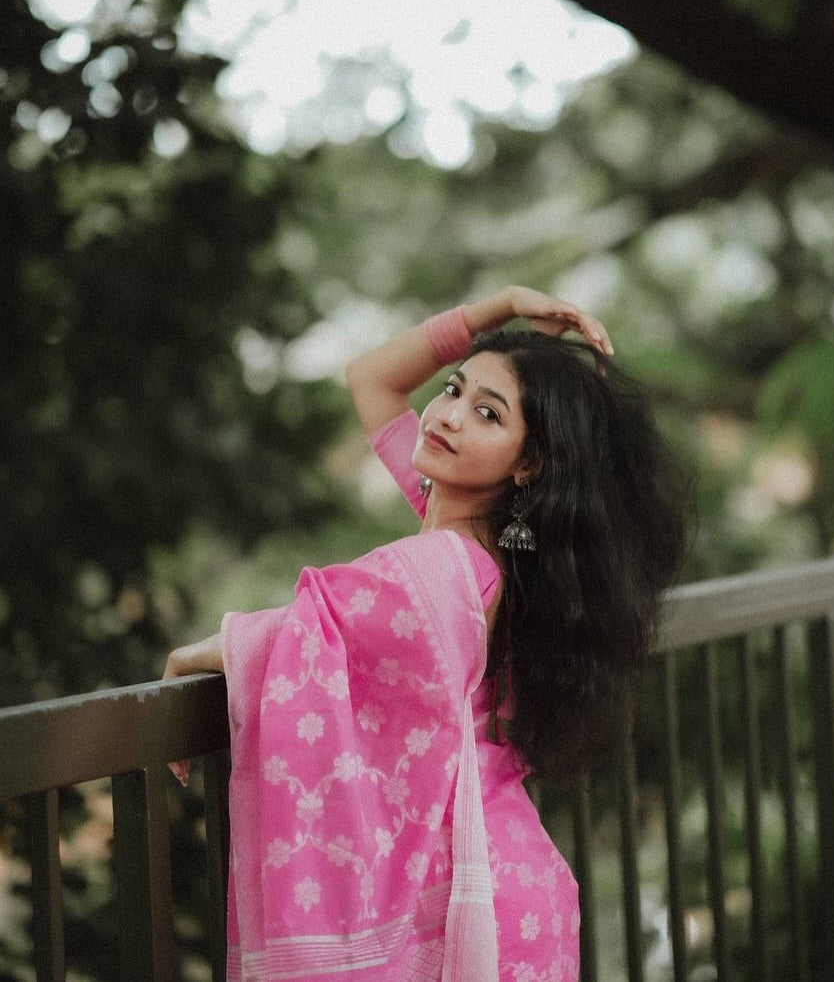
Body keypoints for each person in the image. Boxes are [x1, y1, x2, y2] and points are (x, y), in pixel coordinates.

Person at [163, 286, 686, 982]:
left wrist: (207, 648)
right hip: (511, 882)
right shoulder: (498, 545)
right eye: (452, 389)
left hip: (469, 898)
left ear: (527, 464)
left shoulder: (445, 567)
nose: (447, 416)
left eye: (488, 413)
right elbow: (370, 380)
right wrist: (500, 307)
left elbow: (318, 629)